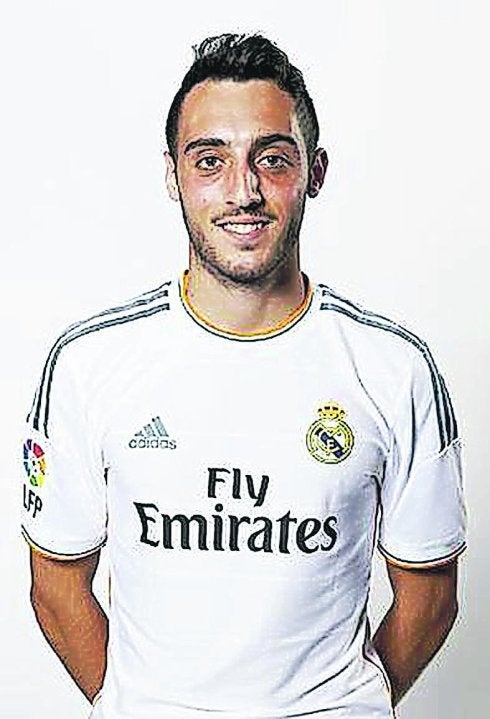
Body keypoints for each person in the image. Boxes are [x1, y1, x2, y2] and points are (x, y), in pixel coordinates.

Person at [21, 33, 466, 719]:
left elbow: (431, 595)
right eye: (211, 160)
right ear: (173, 176)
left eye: (273, 158)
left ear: (315, 172)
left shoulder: (393, 368)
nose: (244, 190)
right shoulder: (90, 364)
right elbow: (55, 581)